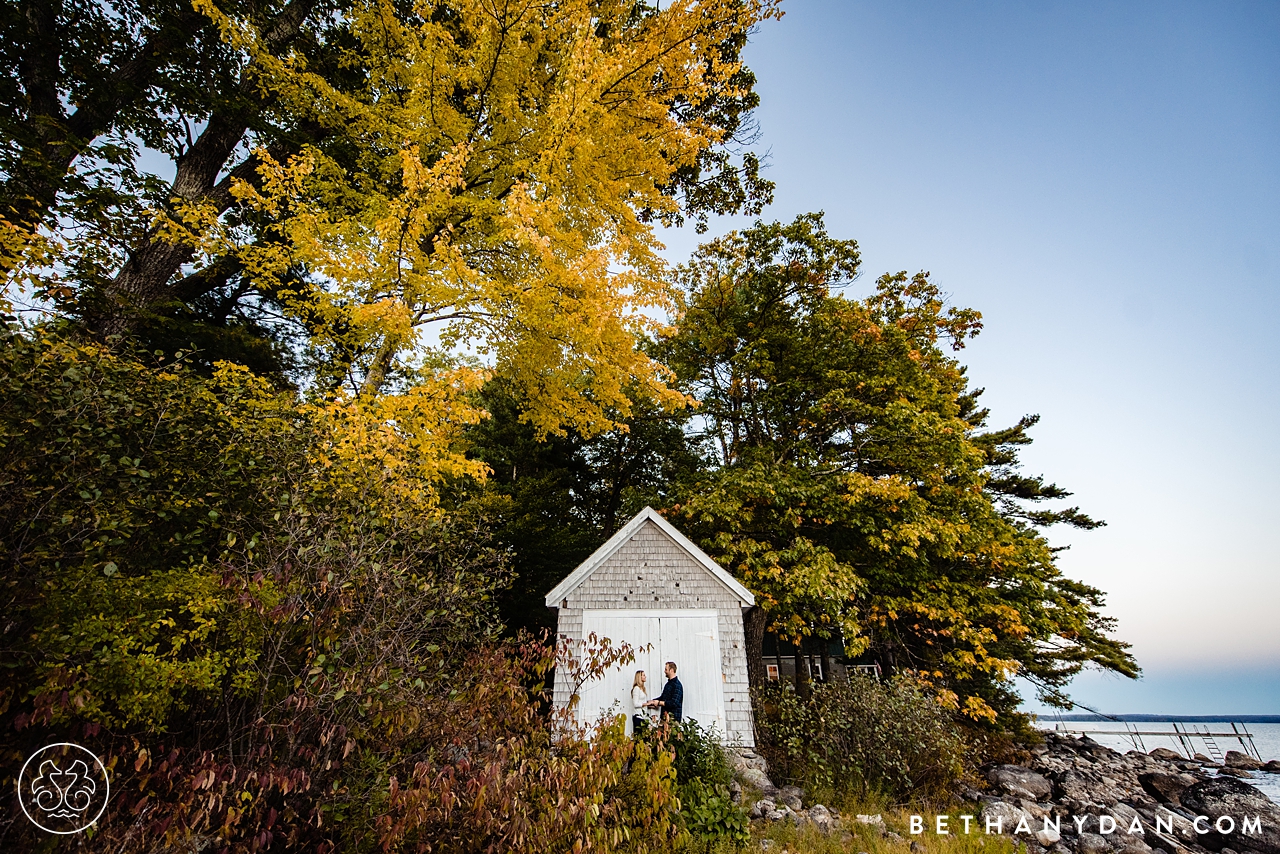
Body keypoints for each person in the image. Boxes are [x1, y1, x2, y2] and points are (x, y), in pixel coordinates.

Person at [630, 670, 650, 735]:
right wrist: (646, 704)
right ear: (639, 677)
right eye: (643, 675)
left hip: (642, 717)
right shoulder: (636, 689)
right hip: (638, 717)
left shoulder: (642, 689)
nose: (645, 676)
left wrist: (650, 703)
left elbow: (642, 701)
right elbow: (635, 704)